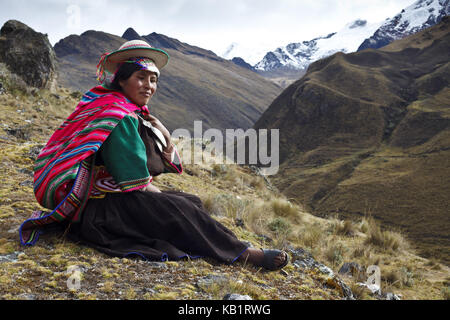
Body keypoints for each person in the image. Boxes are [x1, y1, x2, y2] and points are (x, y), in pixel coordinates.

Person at [19, 40, 288, 271]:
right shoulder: (118, 115)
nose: (148, 86)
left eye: (153, 79)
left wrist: (168, 138)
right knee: (178, 208)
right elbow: (135, 180)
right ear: (121, 79)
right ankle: (243, 255)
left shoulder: (117, 106)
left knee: (189, 201)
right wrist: (163, 199)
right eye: (141, 78)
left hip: (102, 204)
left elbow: (147, 169)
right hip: (97, 214)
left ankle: (221, 242)